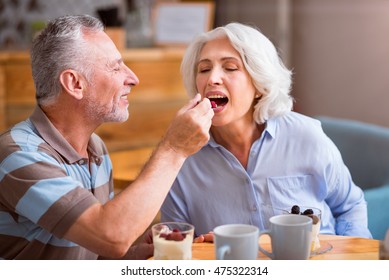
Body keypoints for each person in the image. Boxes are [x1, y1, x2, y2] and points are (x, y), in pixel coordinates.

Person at [0, 14, 214, 259]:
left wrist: (136, 255)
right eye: (116, 67)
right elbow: (110, 236)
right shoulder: (18, 155)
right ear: (74, 83)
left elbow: (99, 252)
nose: (133, 78)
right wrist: (174, 148)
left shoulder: (95, 148)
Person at [160, 22, 372, 241]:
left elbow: (350, 206)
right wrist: (201, 249)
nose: (212, 78)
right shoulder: (181, 158)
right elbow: (177, 243)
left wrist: (353, 260)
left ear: (259, 85)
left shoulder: (306, 135)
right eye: (204, 69)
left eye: (230, 67)